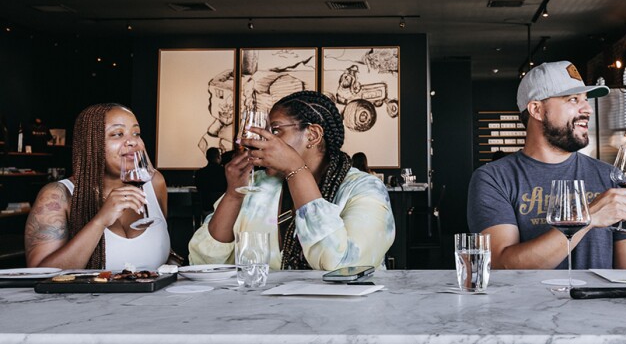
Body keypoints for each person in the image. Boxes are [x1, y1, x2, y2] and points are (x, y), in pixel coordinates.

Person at [189, 90, 395, 270]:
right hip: (263, 312)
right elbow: (204, 263)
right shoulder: (258, 185)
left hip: (345, 312)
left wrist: (296, 169)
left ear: (313, 135)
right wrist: (234, 195)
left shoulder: (365, 189)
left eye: (276, 130)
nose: (262, 141)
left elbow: (343, 266)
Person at [468, 61, 626, 269]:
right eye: (573, 100)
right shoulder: (494, 178)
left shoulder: (610, 176)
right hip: (527, 302)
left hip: (599, 302)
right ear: (537, 110)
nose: (587, 109)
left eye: (586, 100)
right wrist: (586, 218)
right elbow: (501, 265)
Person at [24, 103, 170, 270]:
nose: (132, 142)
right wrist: (100, 221)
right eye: (117, 134)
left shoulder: (155, 183)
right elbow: (39, 274)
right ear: (90, 143)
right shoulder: (57, 195)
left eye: (136, 133)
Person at [194, 147, 227, 213]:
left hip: (206, 207)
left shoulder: (200, 173)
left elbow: (199, 188)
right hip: (222, 207)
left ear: (207, 158)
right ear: (219, 157)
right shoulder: (225, 172)